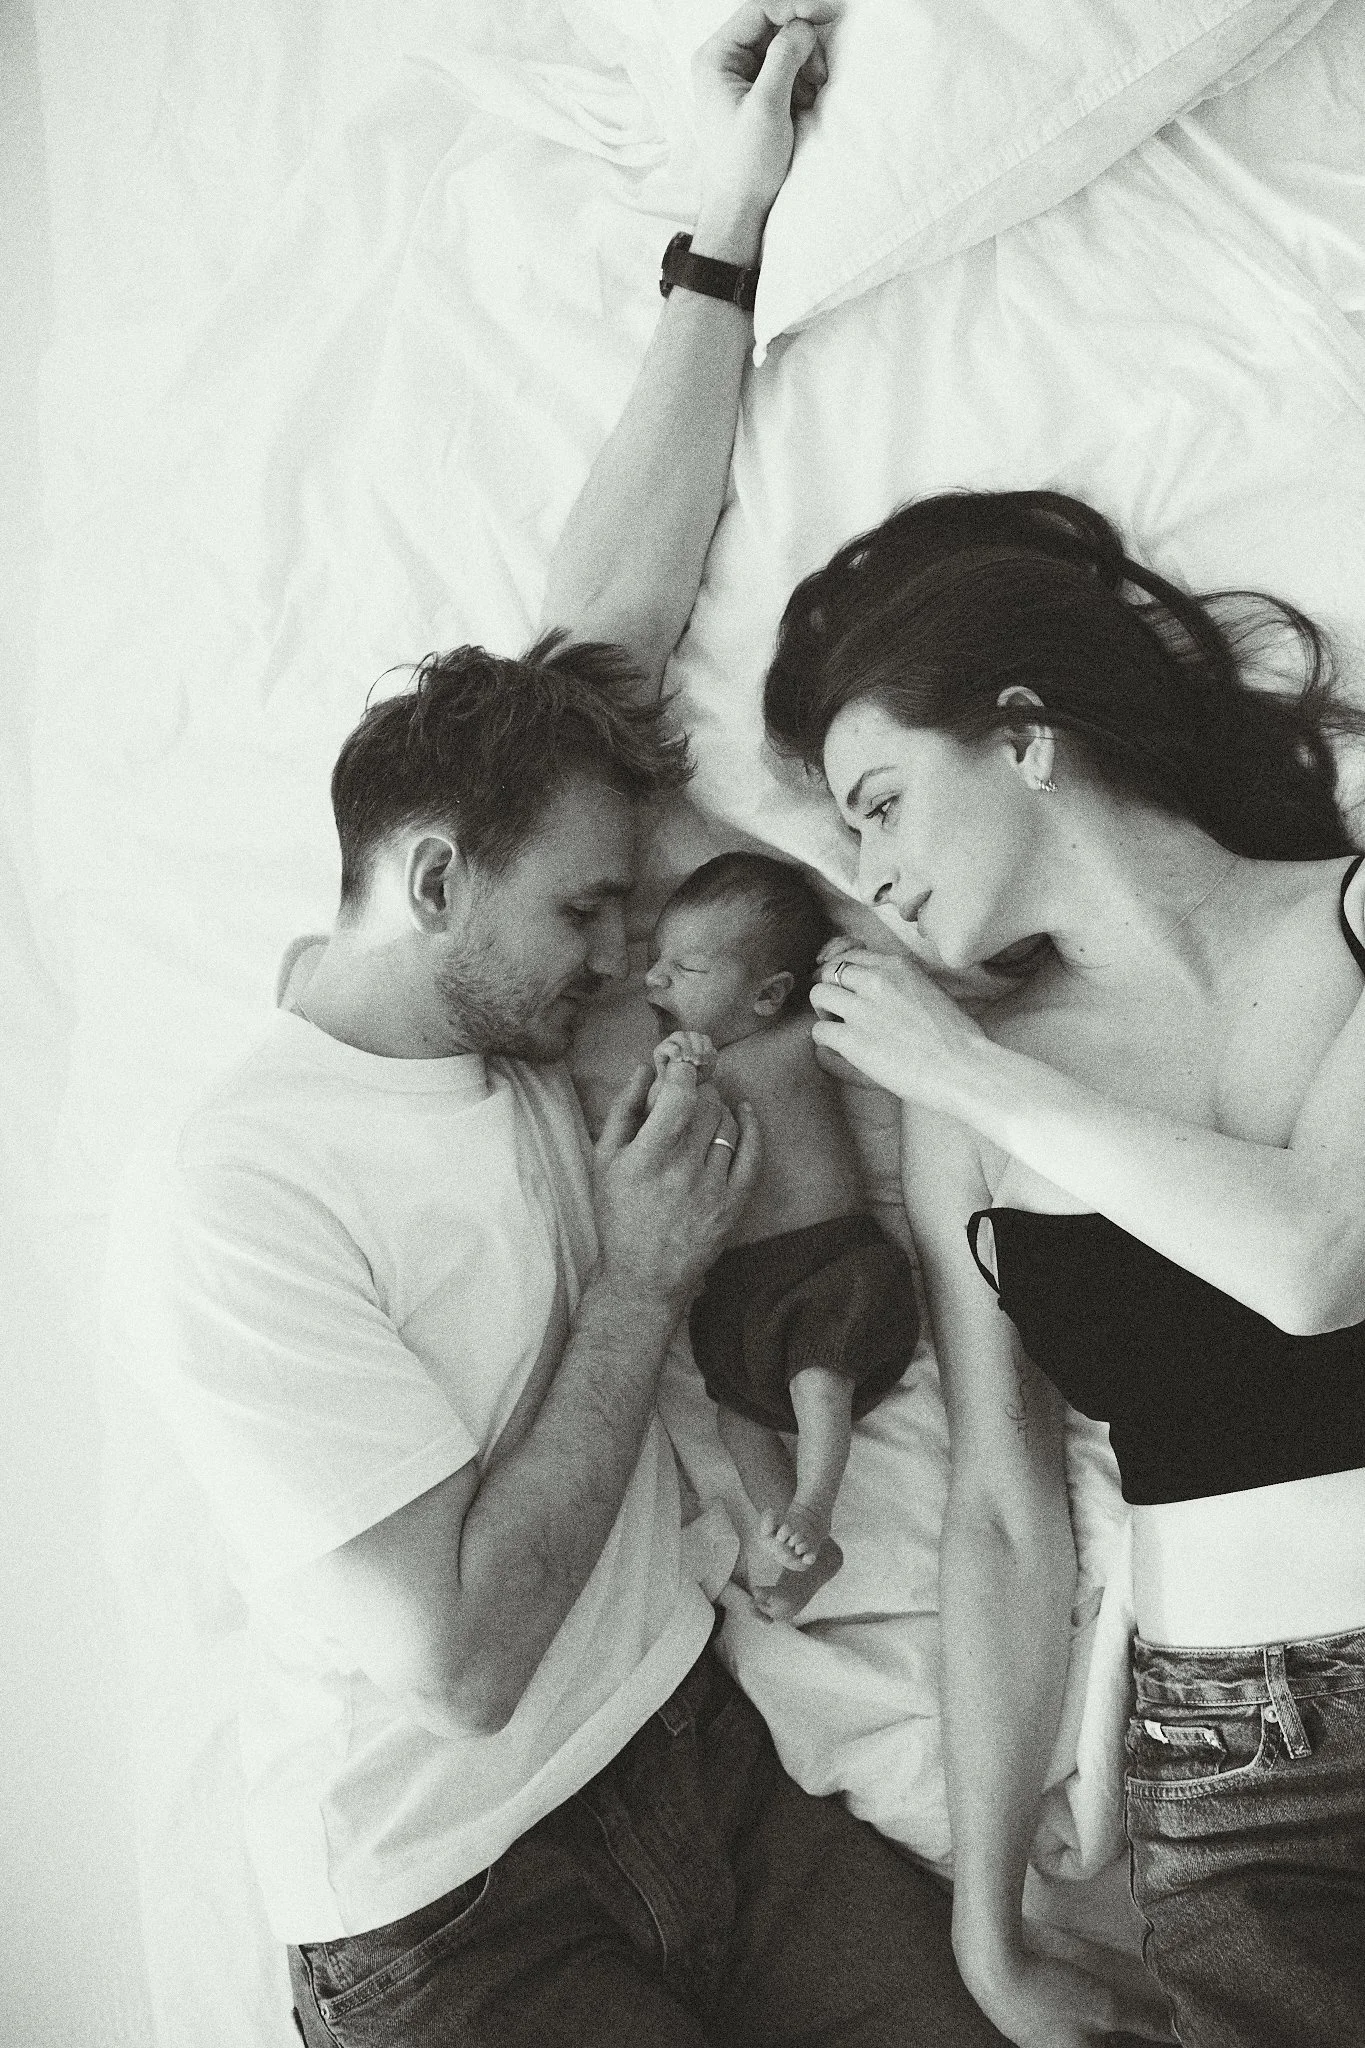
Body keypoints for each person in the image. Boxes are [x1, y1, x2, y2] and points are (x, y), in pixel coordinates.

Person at [109, 11, 1009, 2045]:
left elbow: (605, 609)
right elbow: (460, 1653)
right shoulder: (230, 1186)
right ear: (435, 887)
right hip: (448, 1897)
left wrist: (722, 218)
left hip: (703, 1762)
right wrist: (639, 1283)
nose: (629, 955)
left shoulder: (521, 998)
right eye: (592, 914)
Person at [760, 486, 1365, 2048]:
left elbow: (1316, 1258)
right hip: (1237, 1765)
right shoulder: (958, 1099)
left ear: (1023, 736)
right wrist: (988, 1931)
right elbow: (1000, 1517)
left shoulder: (1357, 921)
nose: (869, 874)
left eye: (881, 802)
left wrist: (975, 1079)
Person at [644, 851, 920, 1619]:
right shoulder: (678, 1071)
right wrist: (672, 1085)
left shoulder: (799, 1040)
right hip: (739, 1296)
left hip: (833, 1272)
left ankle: (812, 1504)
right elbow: (655, 1160)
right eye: (654, 963)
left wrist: (844, 981)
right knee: (737, 1418)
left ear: (768, 994)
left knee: (817, 1380)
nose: (652, 982)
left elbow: (885, 1057)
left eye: (685, 969)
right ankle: (806, 1556)